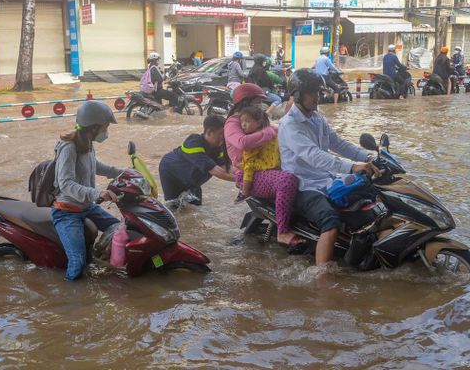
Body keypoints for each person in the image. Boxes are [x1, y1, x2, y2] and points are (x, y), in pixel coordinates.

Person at [278, 68, 379, 269]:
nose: (318, 96)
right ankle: (322, 279)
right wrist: (352, 167)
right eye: (312, 92)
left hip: (328, 180)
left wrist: (367, 157)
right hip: (304, 186)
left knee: (371, 199)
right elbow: (314, 156)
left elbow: (337, 143)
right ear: (298, 95)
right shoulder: (290, 125)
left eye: (317, 91)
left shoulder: (316, 117)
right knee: (331, 222)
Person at [51, 101, 125, 281]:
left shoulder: (87, 143)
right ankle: (74, 301)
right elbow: (66, 183)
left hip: (86, 207)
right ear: (93, 127)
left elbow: (96, 166)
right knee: (77, 261)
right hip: (66, 211)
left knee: (120, 229)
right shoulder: (69, 147)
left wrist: (122, 172)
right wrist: (97, 193)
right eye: (105, 127)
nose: (106, 132)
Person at [235, 105, 300, 246]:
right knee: (287, 180)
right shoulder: (252, 139)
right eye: (242, 122)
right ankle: (282, 232)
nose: (243, 125)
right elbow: (249, 166)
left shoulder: (272, 132)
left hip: (270, 174)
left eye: (247, 121)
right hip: (252, 177)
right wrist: (245, 190)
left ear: (258, 122)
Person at [159, 114, 234, 209]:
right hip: (171, 174)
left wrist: (248, 176)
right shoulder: (193, 143)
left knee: (196, 209)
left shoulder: (218, 146)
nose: (225, 138)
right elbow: (215, 171)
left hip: (192, 178)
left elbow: (226, 167)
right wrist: (241, 182)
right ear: (210, 132)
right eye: (221, 134)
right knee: (174, 208)